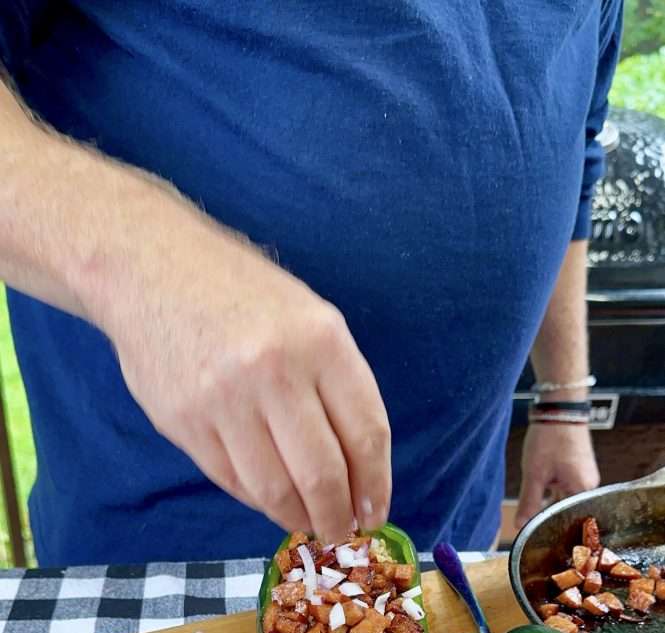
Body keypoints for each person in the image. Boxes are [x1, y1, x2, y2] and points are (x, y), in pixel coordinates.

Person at [0, 2, 612, 566]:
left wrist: (562, 400)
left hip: (454, 541)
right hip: (157, 569)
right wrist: (138, 262)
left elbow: (570, 132)